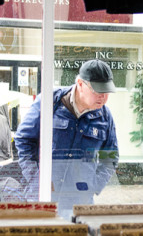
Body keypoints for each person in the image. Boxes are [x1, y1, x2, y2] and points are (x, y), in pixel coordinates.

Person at [14, 59, 119, 219]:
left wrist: (94, 185)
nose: (103, 98)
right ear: (80, 84)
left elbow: (110, 156)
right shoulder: (50, 102)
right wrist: (36, 180)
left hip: (80, 204)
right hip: (43, 199)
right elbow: (23, 140)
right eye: (98, 91)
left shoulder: (105, 117)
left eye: (107, 92)